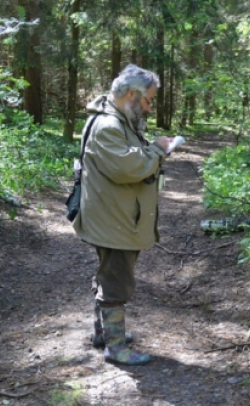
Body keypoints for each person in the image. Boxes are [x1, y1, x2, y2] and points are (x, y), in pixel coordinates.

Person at [72, 64, 171, 365]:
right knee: (116, 282)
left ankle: (104, 332)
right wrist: (158, 151)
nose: (149, 107)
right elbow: (129, 167)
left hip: (114, 216)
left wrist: (151, 149)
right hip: (113, 220)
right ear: (131, 94)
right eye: (147, 100)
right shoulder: (109, 126)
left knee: (109, 275)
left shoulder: (118, 119)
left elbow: (130, 158)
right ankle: (115, 348)